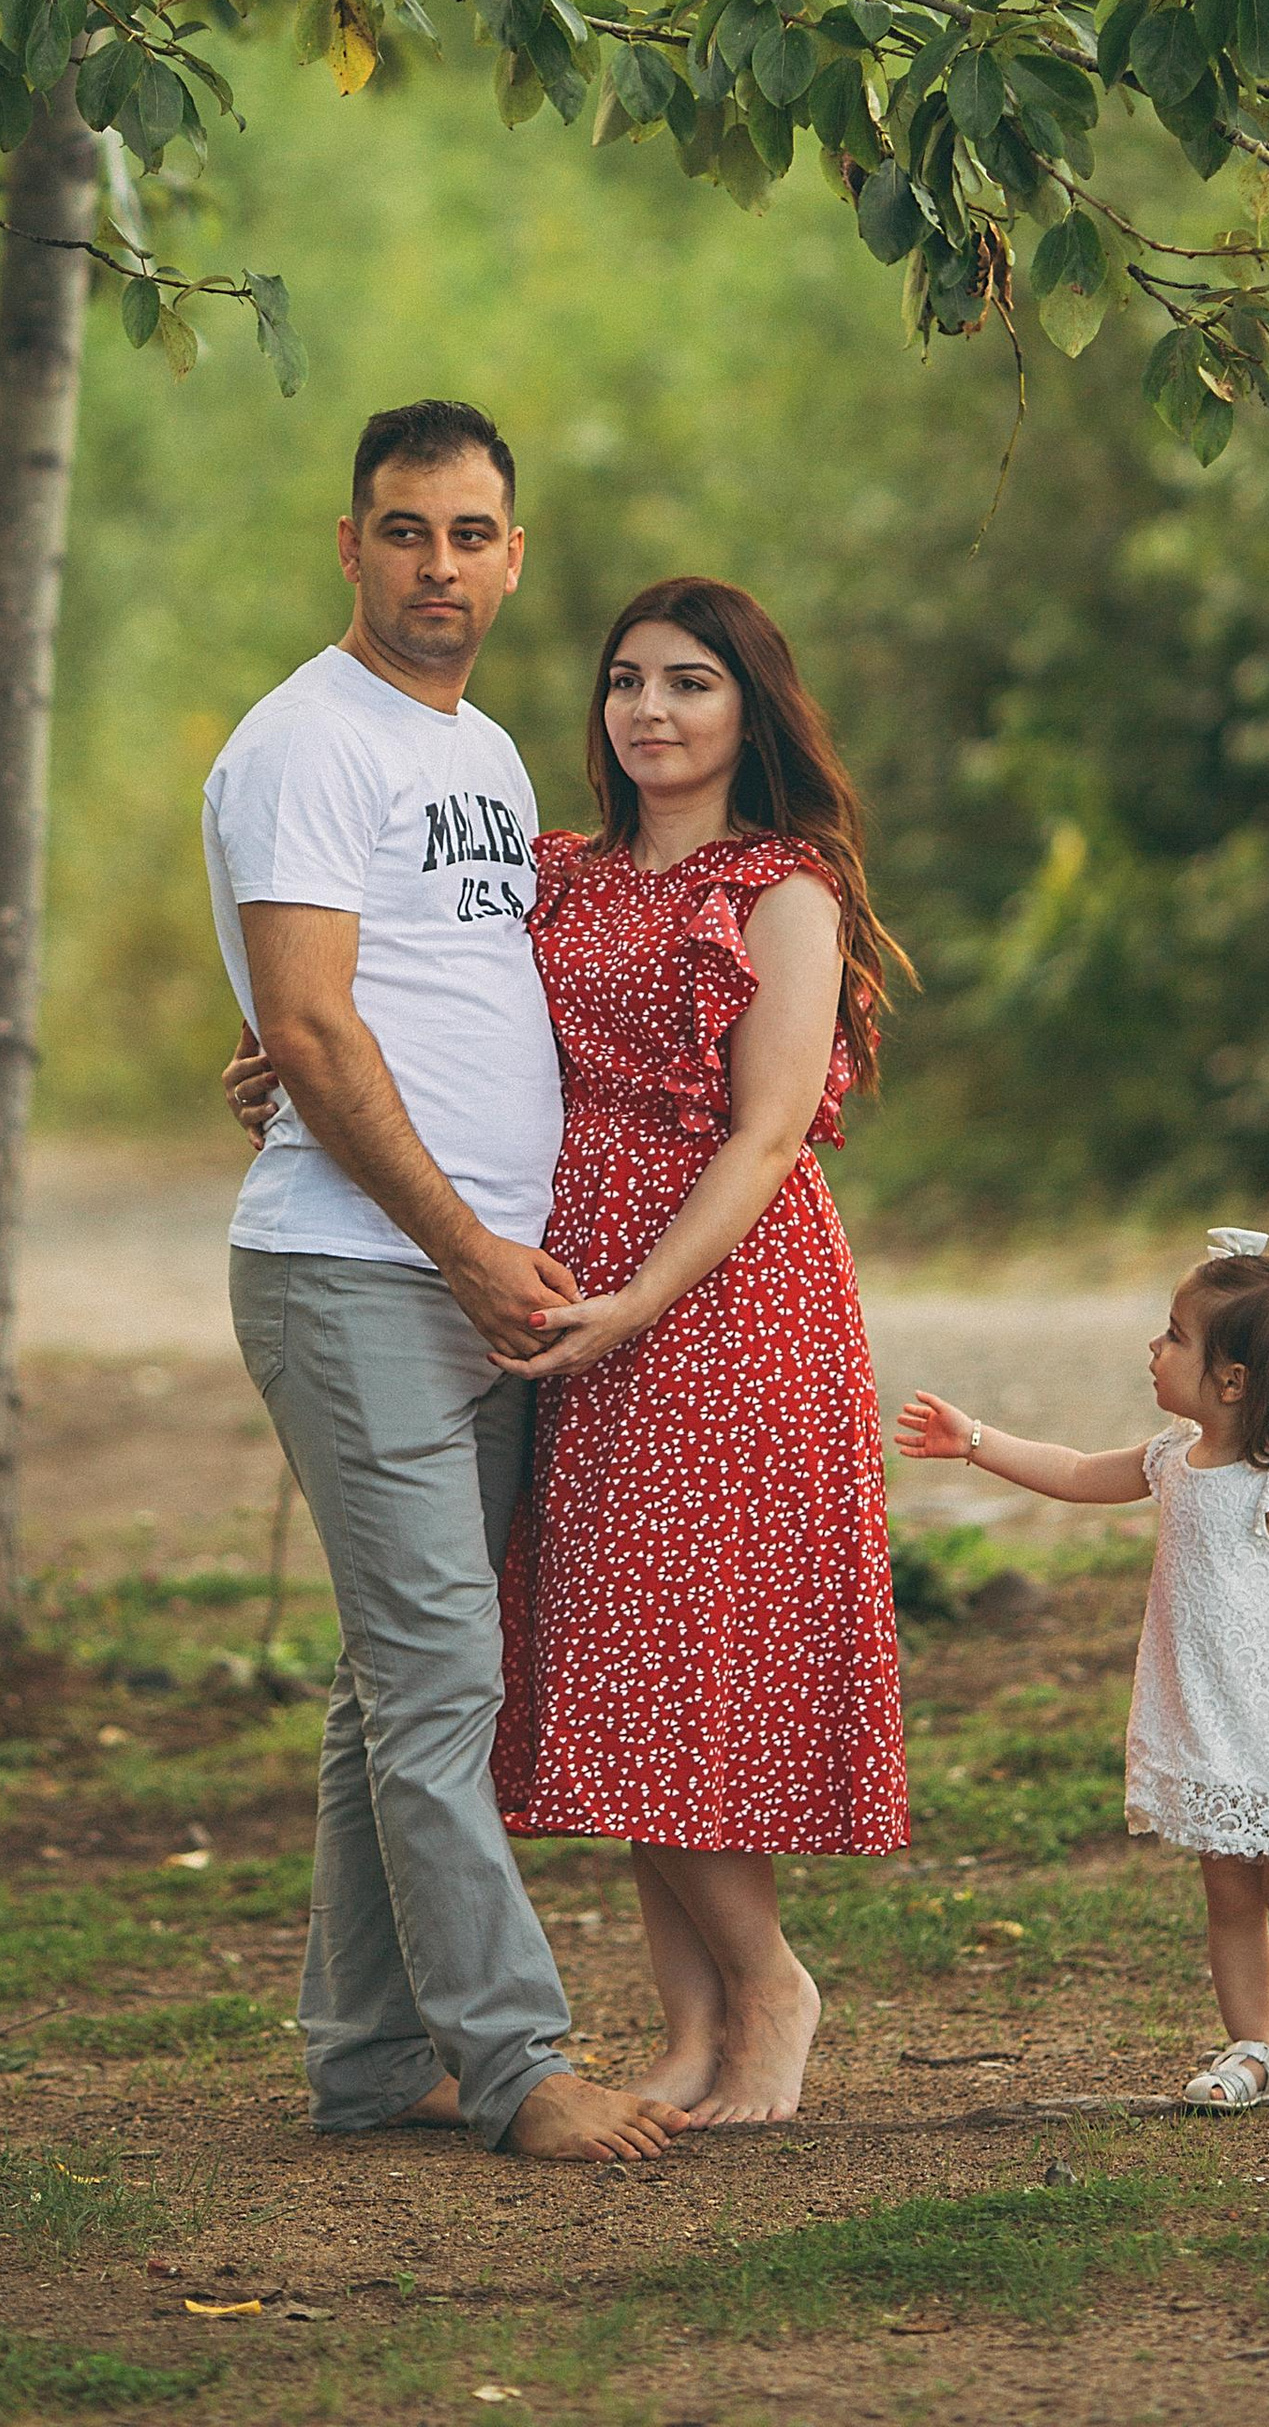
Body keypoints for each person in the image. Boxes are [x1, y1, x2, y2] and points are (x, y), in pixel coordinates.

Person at [232, 572, 915, 2129]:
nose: (651, 711)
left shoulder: (781, 888)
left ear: (750, 709)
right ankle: (688, 2034)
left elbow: (765, 1138)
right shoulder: (555, 872)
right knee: (615, 1670)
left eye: (689, 683)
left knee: (676, 1662)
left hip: (720, 1301)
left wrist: (641, 1301)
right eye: (627, 682)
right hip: (556, 1291)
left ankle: (772, 1993)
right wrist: (279, 1064)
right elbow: (423, 1007)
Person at [205, 398, 687, 2167]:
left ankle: (365, 2056)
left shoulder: (482, 756)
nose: (439, 567)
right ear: (351, 545)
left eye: (471, 534)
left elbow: (408, 995)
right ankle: (518, 2063)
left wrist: (504, 1251)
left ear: (515, 552)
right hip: (363, 1275)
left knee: (391, 1684)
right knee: (438, 1686)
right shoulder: (304, 741)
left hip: (485, 1277)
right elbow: (317, 1026)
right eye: (405, 531)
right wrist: (468, 1249)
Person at [898, 1236, 1269, 2115]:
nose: (1154, 1348)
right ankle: (1253, 2048)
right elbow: (1069, 1469)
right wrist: (975, 1441)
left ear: (1233, 1380)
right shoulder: (1171, 1459)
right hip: (1205, 1718)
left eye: (1174, 1336)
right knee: (1227, 1887)